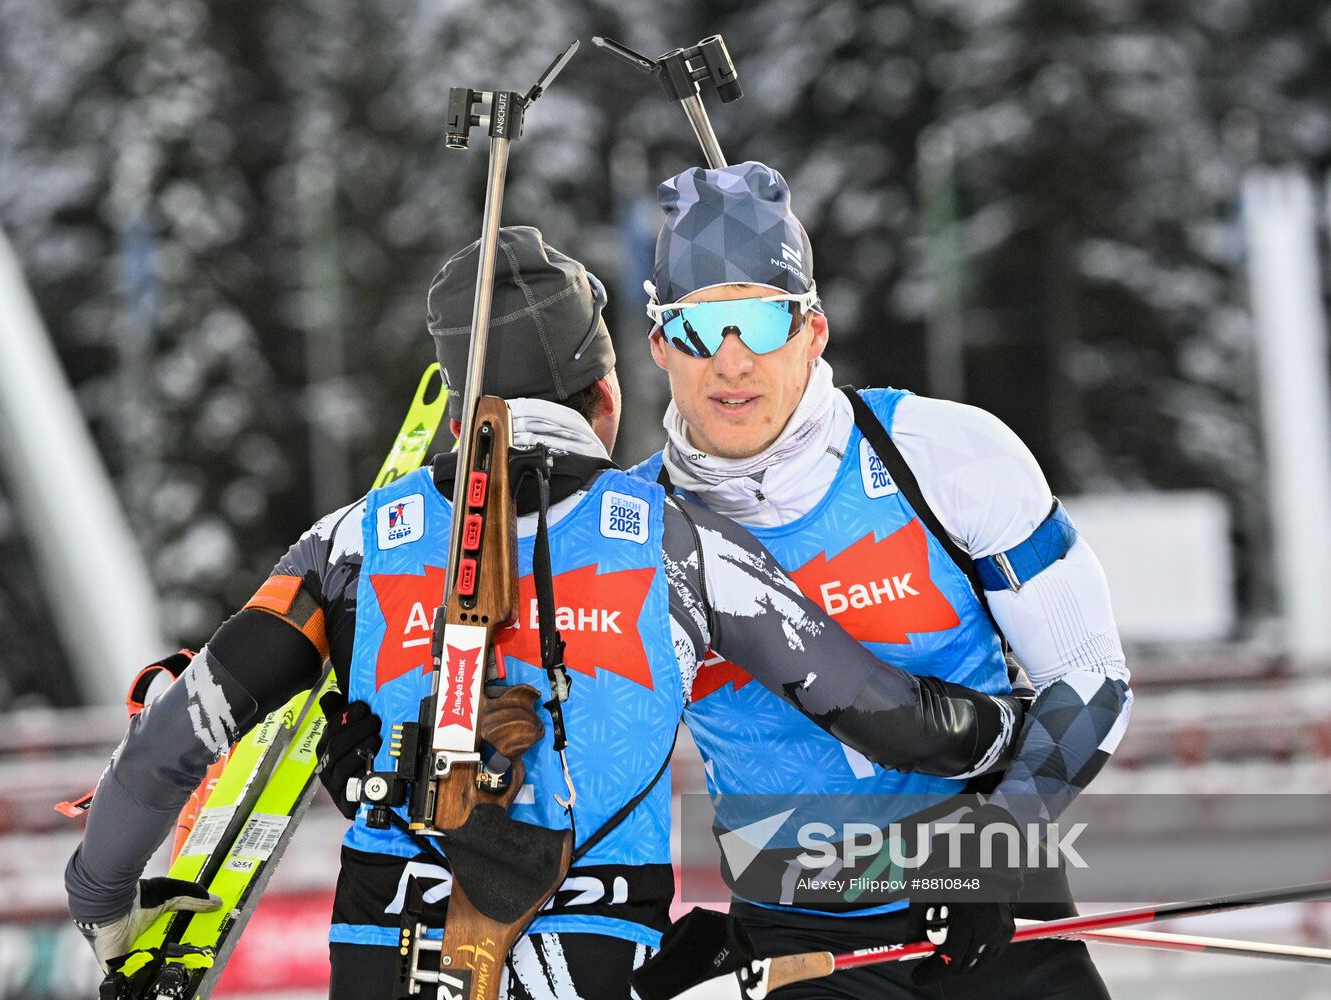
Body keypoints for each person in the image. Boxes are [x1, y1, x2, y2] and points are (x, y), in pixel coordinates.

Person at [64, 226, 1028, 1000]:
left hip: (383, 941)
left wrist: (102, 902)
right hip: (602, 949)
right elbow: (883, 709)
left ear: (450, 417)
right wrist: (999, 727)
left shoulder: (351, 543)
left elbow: (170, 742)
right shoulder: (675, 541)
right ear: (606, 394)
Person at [632, 162, 1133, 997]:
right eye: (694, 328)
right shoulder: (635, 532)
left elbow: (1091, 680)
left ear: (812, 330)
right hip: (800, 920)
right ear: (657, 345)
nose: (730, 363)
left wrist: (996, 849)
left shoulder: (943, 456)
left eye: (760, 320)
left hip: (989, 894)